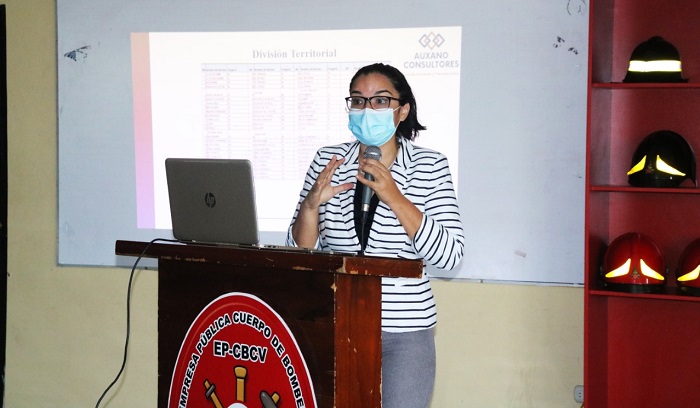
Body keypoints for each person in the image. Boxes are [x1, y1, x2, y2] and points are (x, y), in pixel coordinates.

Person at [287, 63, 464, 407]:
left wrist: (396, 197)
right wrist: (310, 207)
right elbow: (299, 251)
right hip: (337, 322)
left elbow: (450, 255)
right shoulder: (329, 160)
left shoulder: (430, 165)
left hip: (405, 335)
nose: (367, 110)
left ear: (403, 110)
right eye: (358, 101)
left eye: (380, 101)